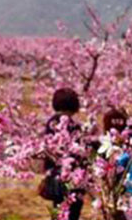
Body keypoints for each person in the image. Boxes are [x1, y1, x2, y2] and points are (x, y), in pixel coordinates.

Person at [42, 88, 84, 220]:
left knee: (59, 210)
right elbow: (78, 152)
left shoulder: (51, 122)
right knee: (71, 212)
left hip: (55, 174)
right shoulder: (72, 124)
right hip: (71, 176)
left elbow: (48, 148)